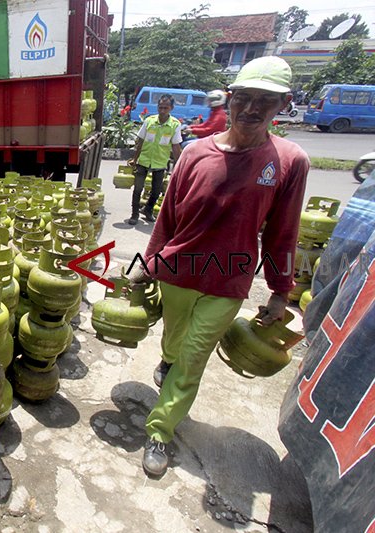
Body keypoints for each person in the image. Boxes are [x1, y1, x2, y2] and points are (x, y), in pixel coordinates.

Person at [128, 56, 310, 476]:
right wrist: (148, 264)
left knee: (194, 355)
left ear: (282, 104)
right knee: (174, 341)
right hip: (179, 272)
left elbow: (285, 230)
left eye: (265, 100)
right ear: (229, 99)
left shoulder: (288, 160)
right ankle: (167, 361)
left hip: (229, 279)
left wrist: (281, 291)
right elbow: (168, 217)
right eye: (243, 98)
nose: (251, 108)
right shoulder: (194, 153)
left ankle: (160, 430)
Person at [126, 95, 183, 225]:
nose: (162, 110)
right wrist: (135, 159)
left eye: (165, 108)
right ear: (157, 107)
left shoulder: (175, 125)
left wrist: (178, 166)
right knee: (138, 188)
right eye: (160, 107)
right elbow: (140, 141)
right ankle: (134, 214)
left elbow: (175, 147)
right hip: (143, 160)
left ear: (171, 108)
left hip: (160, 162)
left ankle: (148, 210)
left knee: (156, 190)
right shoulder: (149, 121)